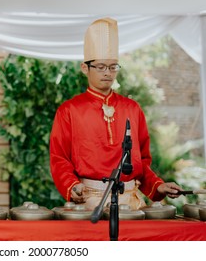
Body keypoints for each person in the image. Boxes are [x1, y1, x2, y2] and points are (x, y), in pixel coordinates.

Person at [49, 17, 182, 210]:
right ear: (85, 68)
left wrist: (158, 185)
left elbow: (142, 161)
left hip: (132, 202)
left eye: (113, 67)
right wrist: (72, 186)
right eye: (101, 67)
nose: (108, 73)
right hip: (90, 201)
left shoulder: (132, 108)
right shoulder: (69, 110)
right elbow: (59, 158)